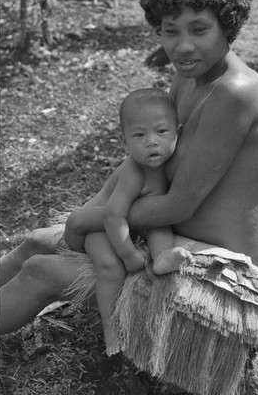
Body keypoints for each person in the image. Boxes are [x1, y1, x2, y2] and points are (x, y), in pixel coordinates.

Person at [0, 0, 258, 395]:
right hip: (176, 236)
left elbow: (177, 204)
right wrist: (85, 219)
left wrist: (93, 218)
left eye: (199, 29)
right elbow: (145, 168)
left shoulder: (235, 91)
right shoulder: (187, 78)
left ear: (227, 26)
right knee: (37, 241)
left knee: (42, 271)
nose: (183, 46)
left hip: (216, 265)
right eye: (169, 31)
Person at [82, 88, 193, 356]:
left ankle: (162, 257)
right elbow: (112, 216)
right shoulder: (133, 171)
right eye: (139, 135)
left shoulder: (168, 165)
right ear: (125, 141)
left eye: (161, 132)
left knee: (160, 220)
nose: (151, 142)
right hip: (98, 229)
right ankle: (110, 328)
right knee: (111, 269)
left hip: (129, 224)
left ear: (177, 132)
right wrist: (128, 253)